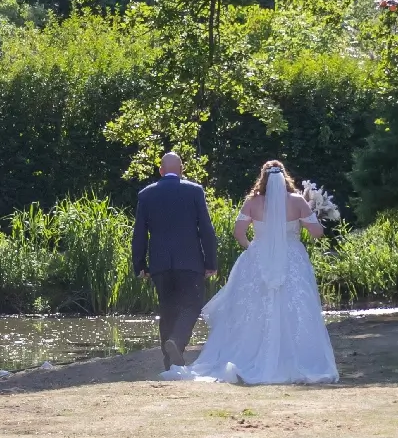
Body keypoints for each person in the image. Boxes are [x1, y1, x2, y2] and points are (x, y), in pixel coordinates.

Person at [161, 160, 338, 385]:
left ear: (262, 178)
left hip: (259, 257)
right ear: (285, 177)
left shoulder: (253, 202)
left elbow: (239, 232)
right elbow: (317, 233)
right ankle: (296, 356)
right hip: (292, 258)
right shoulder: (297, 201)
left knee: (253, 307)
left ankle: (252, 352)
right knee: (296, 305)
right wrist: (311, 215)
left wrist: (253, 249)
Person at [132, 151, 217, 368]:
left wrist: (139, 264)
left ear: (161, 171)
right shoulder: (194, 191)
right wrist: (211, 262)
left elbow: (139, 233)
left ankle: (169, 361)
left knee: (167, 307)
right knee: (193, 304)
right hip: (190, 261)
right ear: (181, 170)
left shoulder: (146, 194)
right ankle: (176, 343)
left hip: (160, 263)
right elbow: (205, 229)